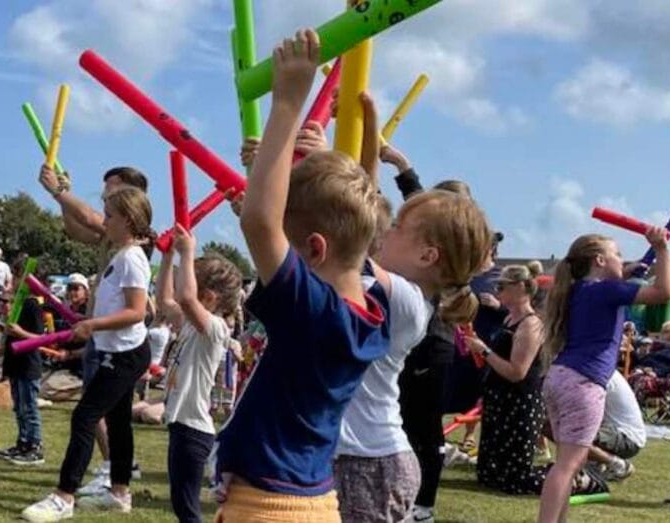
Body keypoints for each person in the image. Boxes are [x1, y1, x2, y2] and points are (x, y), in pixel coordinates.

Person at [212, 29, 388, 522]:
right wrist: (347, 147)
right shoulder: (368, 314)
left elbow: (259, 222)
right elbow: (359, 217)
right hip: (312, 502)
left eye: (287, 245)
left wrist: (288, 102)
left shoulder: (316, 311)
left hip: (268, 509)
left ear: (312, 249)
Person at [336, 186, 492, 521]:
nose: (385, 230)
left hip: (368, 461)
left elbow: (346, 243)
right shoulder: (387, 291)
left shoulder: (406, 299)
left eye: (396, 227)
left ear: (427, 256)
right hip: (361, 456)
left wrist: (322, 188)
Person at [21, 185, 153, 521]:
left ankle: (64, 496)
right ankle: (120, 493)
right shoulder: (119, 255)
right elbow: (117, 306)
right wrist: (89, 320)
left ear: (128, 219)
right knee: (119, 420)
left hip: (124, 353)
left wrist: (94, 326)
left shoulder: (133, 259)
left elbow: (138, 311)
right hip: (117, 349)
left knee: (84, 417)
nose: (104, 221)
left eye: (109, 216)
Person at [538, 231, 670, 523]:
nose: (623, 260)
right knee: (567, 466)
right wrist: (661, 249)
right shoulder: (608, 291)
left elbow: (608, 284)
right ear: (600, 260)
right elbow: (663, 292)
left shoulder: (577, 290)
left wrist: (624, 271)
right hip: (584, 382)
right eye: (618, 255)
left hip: (560, 376)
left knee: (568, 463)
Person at [156, 226, 242, 523]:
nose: (182, 281)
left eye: (188, 276)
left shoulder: (216, 328)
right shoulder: (192, 323)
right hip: (181, 426)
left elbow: (185, 297)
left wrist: (188, 251)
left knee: (188, 509)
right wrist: (168, 257)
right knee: (182, 506)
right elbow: (165, 300)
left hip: (194, 431)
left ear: (208, 296)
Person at [463, 264, 550, 495]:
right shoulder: (508, 319)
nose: (497, 290)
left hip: (518, 403)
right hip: (499, 399)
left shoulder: (530, 325)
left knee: (512, 479)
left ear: (521, 287)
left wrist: (484, 351)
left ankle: (571, 478)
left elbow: (517, 372)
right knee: (488, 475)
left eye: (502, 286)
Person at [0, 260, 47, 464]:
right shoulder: (19, 302)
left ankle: (35, 445)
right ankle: (23, 442)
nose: (14, 281)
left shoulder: (33, 304)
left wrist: (19, 333)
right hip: (15, 364)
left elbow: (39, 338)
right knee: (19, 407)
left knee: (29, 407)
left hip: (28, 365)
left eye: (18, 277)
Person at [586, 370, 645, 481]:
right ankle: (596, 464)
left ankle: (619, 465)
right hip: (620, 433)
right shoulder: (601, 369)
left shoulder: (599, 374)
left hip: (627, 437)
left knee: (572, 435)